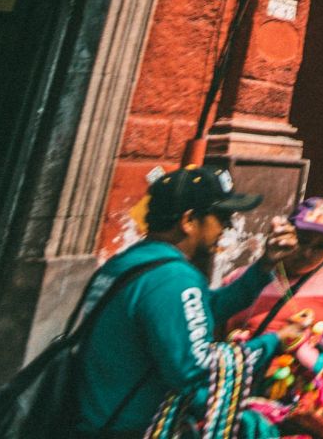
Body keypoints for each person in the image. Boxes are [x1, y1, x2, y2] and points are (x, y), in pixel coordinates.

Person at [73, 166, 302, 437]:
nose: (226, 228)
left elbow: (206, 310)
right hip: (128, 427)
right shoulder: (174, 278)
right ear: (189, 220)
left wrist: (265, 265)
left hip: (96, 417)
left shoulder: (128, 262)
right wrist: (274, 342)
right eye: (222, 218)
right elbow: (195, 370)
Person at [224, 197, 323, 428]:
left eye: (321, 246)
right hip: (241, 401)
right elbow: (218, 340)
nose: (307, 253)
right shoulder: (242, 279)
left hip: (303, 406)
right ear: (288, 232)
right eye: (303, 240)